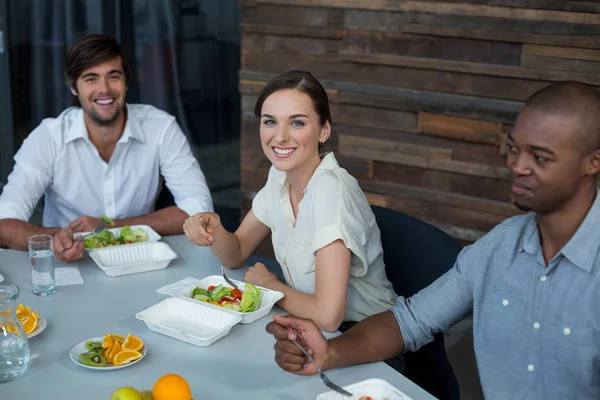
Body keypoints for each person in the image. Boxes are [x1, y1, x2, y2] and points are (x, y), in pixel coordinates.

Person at [266, 80, 600, 399]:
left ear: (593, 162)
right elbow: (409, 321)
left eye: (540, 158)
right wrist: (329, 352)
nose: (518, 166)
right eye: (513, 149)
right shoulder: (501, 246)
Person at [184, 70, 397, 332]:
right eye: (270, 121)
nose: (280, 136)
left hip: (365, 338)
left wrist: (272, 287)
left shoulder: (331, 190)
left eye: (297, 123)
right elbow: (235, 253)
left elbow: (329, 316)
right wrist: (213, 227)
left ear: (324, 131)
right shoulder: (279, 176)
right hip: (311, 328)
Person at [0, 34, 213, 262]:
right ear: (74, 87)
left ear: (126, 82)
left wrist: (109, 227)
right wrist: (55, 238)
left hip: (141, 260)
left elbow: (199, 211)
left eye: (113, 76)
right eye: (91, 78)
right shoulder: (48, 137)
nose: (104, 89)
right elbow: (4, 225)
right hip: (71, 267)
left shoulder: (160, 127)